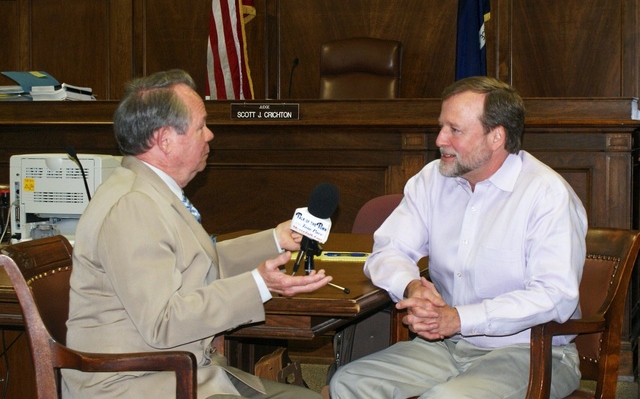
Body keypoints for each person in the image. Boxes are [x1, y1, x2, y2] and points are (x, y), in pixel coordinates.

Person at [63, 69, 331, 399]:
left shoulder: (148, 189)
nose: (210, 135)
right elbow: (164, 322)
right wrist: (259, 284)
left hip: (178, 371)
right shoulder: (133, 206)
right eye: (200, 126)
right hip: (134, 383)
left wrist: (273, 239)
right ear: (164, 140)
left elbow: (197, 262)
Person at [329, 76, 588, 399]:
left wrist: (460, 318)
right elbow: (388, 249)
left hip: (533, 353)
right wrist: (411, 286)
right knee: (350, 381)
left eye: (455, 130)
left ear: (496, 137)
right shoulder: (432, 179)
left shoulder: (546, 194)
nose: (440, 139)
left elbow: (554, 296)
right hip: (449, 347)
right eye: (441, 127)